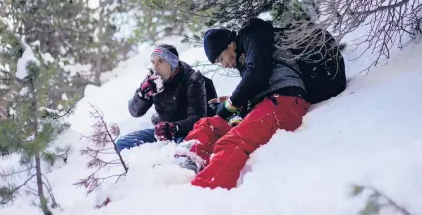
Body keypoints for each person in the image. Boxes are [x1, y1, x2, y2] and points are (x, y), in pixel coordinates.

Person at [174, 18, 311, 190]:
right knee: (207, 124)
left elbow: (258, 74)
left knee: (232, 142)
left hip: (286, 101)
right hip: (267, 105)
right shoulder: (244, 57)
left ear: (230, 44)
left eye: (220, 58)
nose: (223, 64)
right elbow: (257, 86)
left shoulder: (254, 34)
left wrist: (232, 104)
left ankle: (201, 192)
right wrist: (230, 104)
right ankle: (185, 165)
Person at [115, 44, 209, 152]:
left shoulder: (192, 79)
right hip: (162, 132)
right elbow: (134, 112)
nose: (155, 67)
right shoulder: (152, 78)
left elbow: (197, 119)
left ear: (173, 64)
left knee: (183, 152)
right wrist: (143, 94)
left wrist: (174, 127)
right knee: (121, 143)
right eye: (153, 62)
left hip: (185, 133)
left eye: (160, 61)